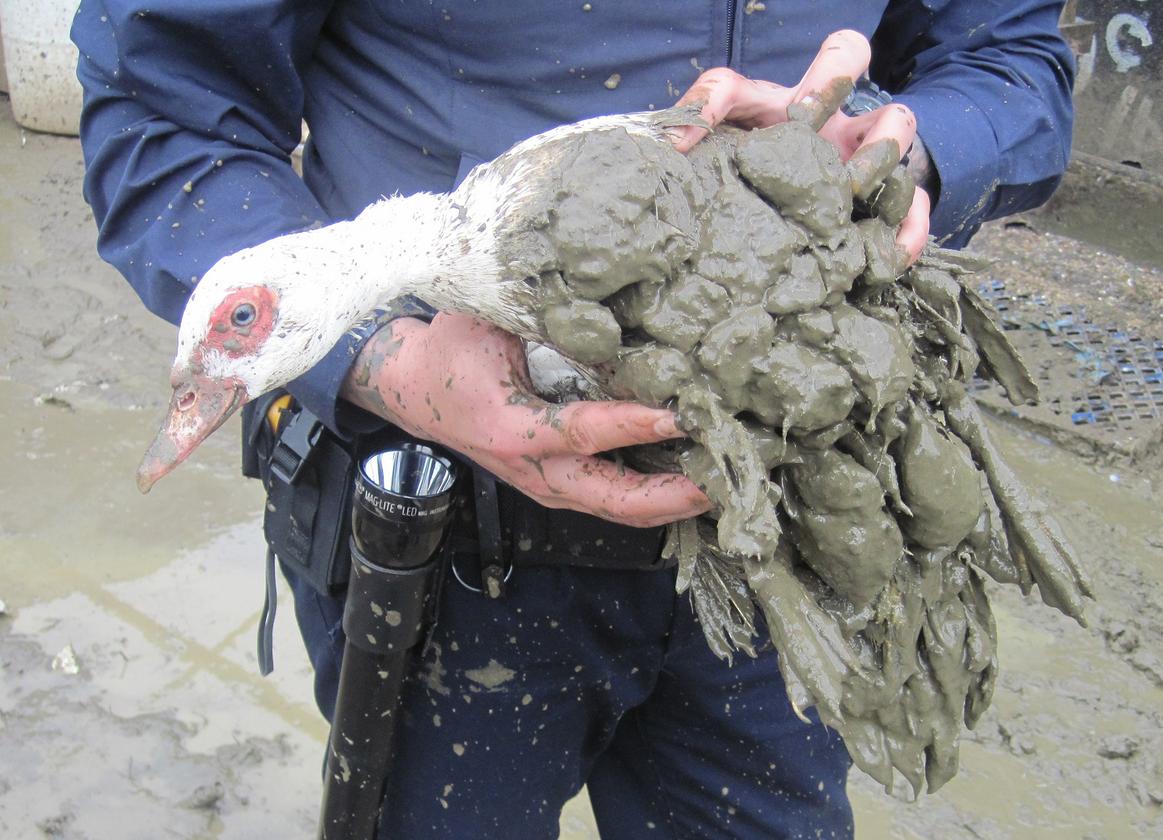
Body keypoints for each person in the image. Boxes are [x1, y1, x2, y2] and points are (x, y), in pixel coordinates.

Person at [72, 3, 1073, 837]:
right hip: (444, 545)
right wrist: (380, 361)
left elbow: (1008, 60)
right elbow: (160, 107)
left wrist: (909, 145)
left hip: (782, 519)